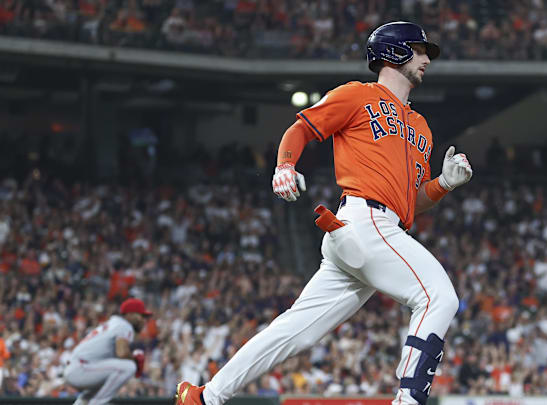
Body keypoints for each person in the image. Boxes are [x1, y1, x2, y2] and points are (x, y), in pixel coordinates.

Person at [175, 21, 473, 405]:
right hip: (365, 223)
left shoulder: (421, 127)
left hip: (374, 231)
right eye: (419, 50)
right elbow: (299, 131)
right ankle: (409, 400)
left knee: (297, 329)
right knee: (439, 297)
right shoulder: (357, 95)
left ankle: (205, 396)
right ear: (395, 51)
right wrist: (285, 165)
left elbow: (411, 200)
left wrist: (444, 184)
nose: (426, 59)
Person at [64, 298, 151, 405]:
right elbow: (122, 352)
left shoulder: (113, 324)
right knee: (129, 366)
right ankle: (98, 403)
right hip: (82, 368)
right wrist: (135, 360)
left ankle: (82, 403)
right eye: (141, 316)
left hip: (80, 368)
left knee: (104, 382)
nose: (144, 320)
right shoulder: (124, 325)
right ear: (130, 314)